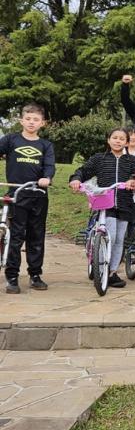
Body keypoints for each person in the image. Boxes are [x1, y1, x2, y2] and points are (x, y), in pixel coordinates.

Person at [69, 128, 135, 289]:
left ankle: (113, 271)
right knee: (111, 236)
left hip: (124, 203)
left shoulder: (133, 161)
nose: (118, 141)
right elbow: (83, 171)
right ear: (108, 140)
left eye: (122, 139)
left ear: (127, 142)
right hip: (104, 203)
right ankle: (101, 266)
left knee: (120, 239)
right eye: (114, 137)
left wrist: (132, 181)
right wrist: (76, 179)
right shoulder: (99, 159)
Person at [0, 103, 55, 294]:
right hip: (17, 195)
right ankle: (12, 277)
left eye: (36, 119)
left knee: (36, 237)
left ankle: (35, 275)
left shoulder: (45, 145)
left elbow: (49, 166)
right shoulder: (10, 140)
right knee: (15, 237)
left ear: (42, 123)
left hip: (38, 196)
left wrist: (46, 178)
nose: (32, 122)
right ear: (21, 120)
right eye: (28, 119)